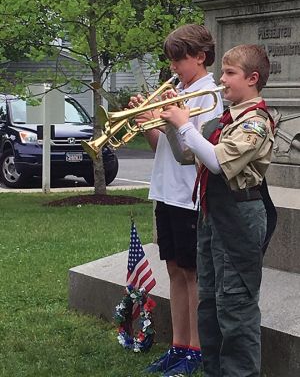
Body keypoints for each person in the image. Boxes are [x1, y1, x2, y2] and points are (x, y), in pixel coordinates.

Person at [160, 44, 276, 377]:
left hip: (239, 217)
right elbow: (187, 155)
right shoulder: (222, 120)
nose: (221, 80)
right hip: (213, 216)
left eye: (229, 73)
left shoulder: (255, 123)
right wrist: (171, 121)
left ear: (252, 79)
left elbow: (216, 162)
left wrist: (185, 124)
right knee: (209, 306)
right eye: (222, 72)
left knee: (235, 309)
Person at [128, 24, 223, 377]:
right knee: (172, 269)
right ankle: (179, 345)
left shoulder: (210, 95)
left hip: (190, 195)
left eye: (179, 59)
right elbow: (161, 147)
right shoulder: (177, 90)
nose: (173, 67)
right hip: (165, 191)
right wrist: (147, 124)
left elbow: (191, 153)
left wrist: (164, 121)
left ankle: (196, 349)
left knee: (192, 272)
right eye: (170, 60)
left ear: (200, 56)